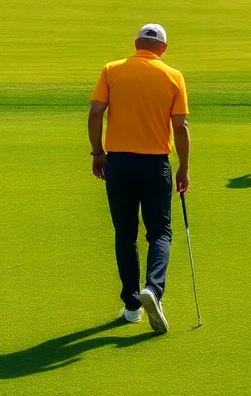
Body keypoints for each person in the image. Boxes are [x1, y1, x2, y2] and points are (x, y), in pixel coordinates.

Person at [88, 24, 190, 335]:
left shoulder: (112, 70)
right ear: (163, 49)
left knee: (125, 233)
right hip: (155, 165)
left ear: (136, 44)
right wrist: (183, 168)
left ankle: (132, 306)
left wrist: (97, 153)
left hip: (118, 163)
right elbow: (181, 127)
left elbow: (95, 114)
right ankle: (153, 290)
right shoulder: (173, 76)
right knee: (159, 232)